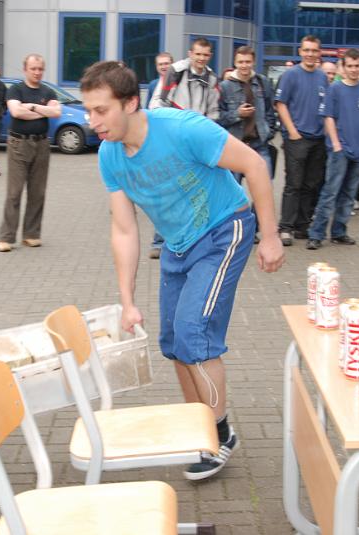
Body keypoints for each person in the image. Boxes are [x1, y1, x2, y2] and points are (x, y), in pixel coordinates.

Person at [80, 60, 284, 481]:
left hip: (224, 229)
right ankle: (199, 425)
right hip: (178, 245)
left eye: (101, 110)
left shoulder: (183, 129)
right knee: (173, 343)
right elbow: (124, 230)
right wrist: (127, 302)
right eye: (88, 111)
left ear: (130, 103)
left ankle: (220, 434)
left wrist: (270, 236)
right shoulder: (109, 156)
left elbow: (255, 165)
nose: (92, 121)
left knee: (194, 333)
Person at [148, 38, 220, 259]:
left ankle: (190, 242)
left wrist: (207, 137)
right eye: (198, 54)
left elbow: (213, 112)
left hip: (197, 144)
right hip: (173, 140)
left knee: (195, 192)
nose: (201, 58)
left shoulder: (212, 78)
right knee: (168, 191)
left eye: (205, 55)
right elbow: (158, 104)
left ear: (210, 56)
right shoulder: (175, 71)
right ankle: (159, 242)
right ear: (190, 53)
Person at [307, 49, 359, 250]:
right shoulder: (335, 89)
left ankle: (339, 232)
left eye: (357, 66)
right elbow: (329, 117)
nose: (354, 70)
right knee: (330, 193)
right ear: (343, 67)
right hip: (340, 151)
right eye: (350, 66)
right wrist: (336, 144)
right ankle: (316, 234)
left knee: (349, 195)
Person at [0, 53, 61, 252]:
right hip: (19, 144)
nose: (37, 72)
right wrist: (42, 111)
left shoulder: (48, 91)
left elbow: (56, 112)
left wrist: (32, 107)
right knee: (14, 192)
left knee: (37, 192)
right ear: (25, 69)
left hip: (41, 145)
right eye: (33, 68)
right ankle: (7, 237)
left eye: (40, 69)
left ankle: (31, 234)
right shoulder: (15, 90)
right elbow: (16, 112)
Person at [218, 45, 277, 243]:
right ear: (235, 63)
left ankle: (253, 229)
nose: (244, 66)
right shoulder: (224, 87)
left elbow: (270, 111)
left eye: (248, 62)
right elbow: (218, 118)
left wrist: (269, 131)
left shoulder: (263, 83)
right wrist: (237, 114)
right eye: (240, 62)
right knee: (233, 193)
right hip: (236, 147)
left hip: (260, 145)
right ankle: (233, 231)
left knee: (264, 190)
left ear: (253, 62)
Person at [274, 35, 328, 246]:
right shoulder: (290, 75)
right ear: (300, 51)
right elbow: (280, 104)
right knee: (293, 184)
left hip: (318, 139)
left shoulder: (322, 76)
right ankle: (285, 227)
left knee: (310, 185)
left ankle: (302, 226)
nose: (310, 54)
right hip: (297, 138)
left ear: (319, 53)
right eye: (306, 50)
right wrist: (293, 132)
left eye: (314, 50)